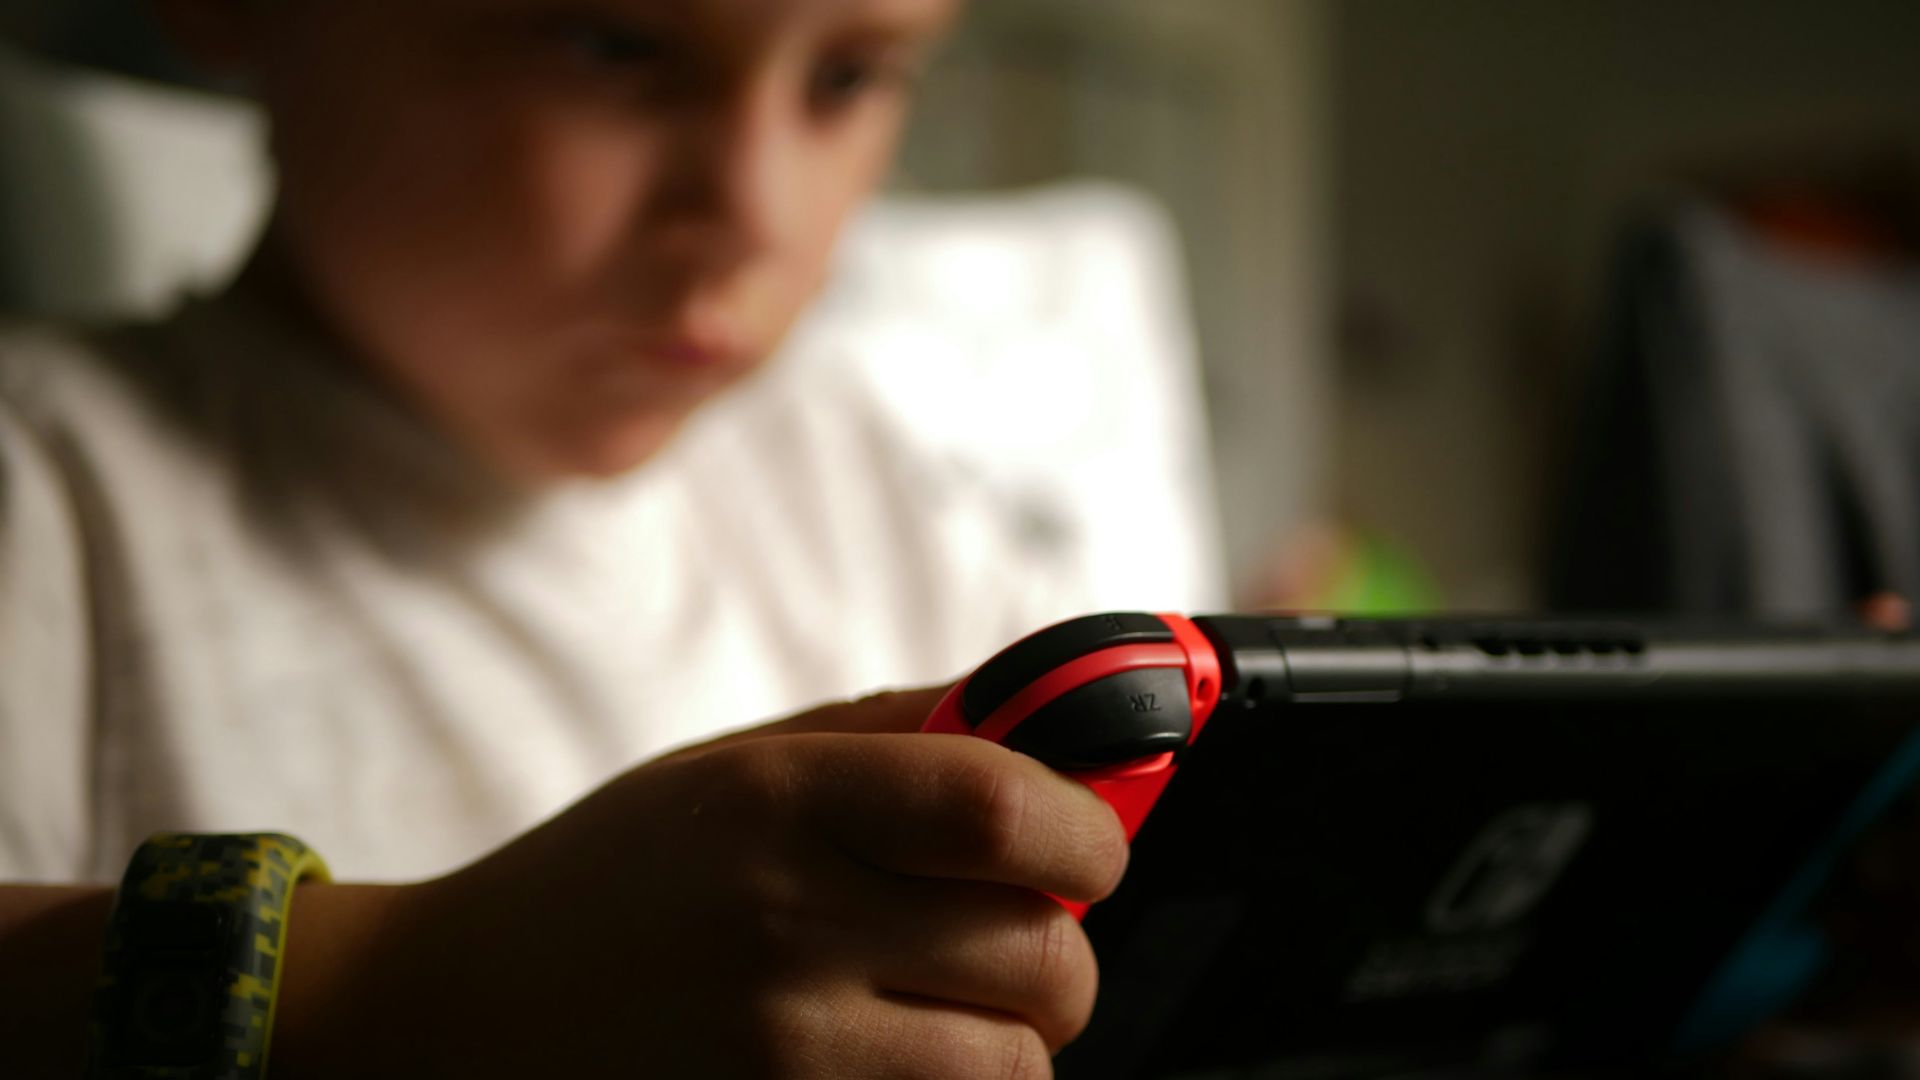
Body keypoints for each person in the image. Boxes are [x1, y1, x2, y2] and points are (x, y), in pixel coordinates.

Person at [0, 0, 1142, 1075]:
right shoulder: (46, 486)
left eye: (844, 78)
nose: (756, 211)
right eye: (616, 45)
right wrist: (396, 992)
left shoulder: (849, 471)